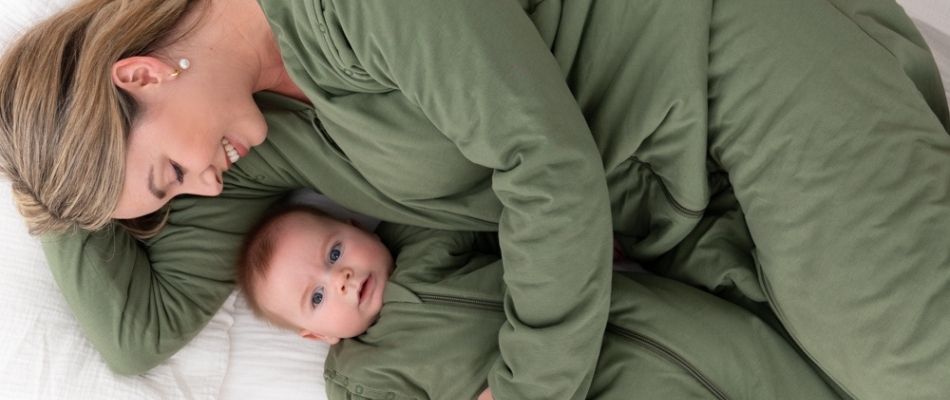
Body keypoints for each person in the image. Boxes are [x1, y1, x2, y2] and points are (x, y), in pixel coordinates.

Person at [0, 0, 947, 398]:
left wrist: (533, 391)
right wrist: (43, 169)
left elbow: (547, 164)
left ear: (142, 72)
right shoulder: (249, 136)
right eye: (170, 195)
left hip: (731, 77)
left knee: (915, 370)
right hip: (672, 216)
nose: (201, 188)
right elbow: (138, 328)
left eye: (167, 175)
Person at [235, 203, 840, 400]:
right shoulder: (360, 375)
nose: (339, 279)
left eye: (335, 252)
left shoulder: (418, 239)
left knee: (756, 361)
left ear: (357, 228)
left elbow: (497, 207)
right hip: (583, 387)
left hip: (623, 312)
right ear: (316, 335)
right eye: (316, 295)